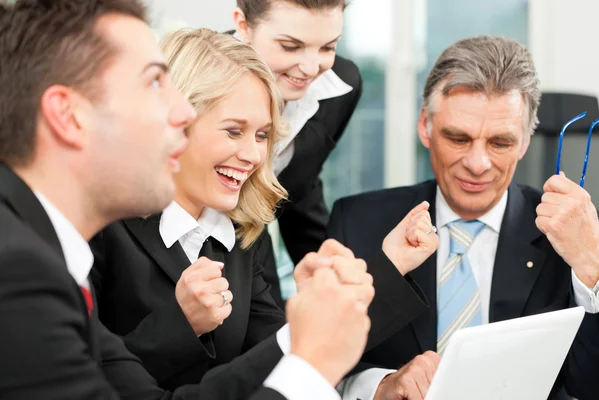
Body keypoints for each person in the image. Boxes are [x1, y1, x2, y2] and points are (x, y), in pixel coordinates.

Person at [0, 1, 375, 399]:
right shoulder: (17, 268)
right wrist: (310, 369)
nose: (180, 111)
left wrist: (304, 340)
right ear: (70, 116)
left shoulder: (51, 256)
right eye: (153, 84)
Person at [90, 28, 437, 395]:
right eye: (234, 131)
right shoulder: (100, 226)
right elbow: (83, 378)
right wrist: (181, 324)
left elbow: (281, 357)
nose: (254, 156)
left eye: (261, 136)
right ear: (177, 123)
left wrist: (387, 267)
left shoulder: (242, 234)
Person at [327, 35, 599, 400]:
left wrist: (591, 268)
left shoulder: (570, 238)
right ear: (425, 125)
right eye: (458, 138)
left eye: (500, 142)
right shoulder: (356, 221)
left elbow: (590, 384)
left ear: (524, 141)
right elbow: (316, 362)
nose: (477, 164)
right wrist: (379, 385)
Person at [232, 0, 362, 305]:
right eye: (290, 46)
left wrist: (326, 265)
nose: (310, 68)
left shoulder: (341, 86)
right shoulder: (193, 76)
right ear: (243, 25)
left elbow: (299, 183)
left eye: (328, 48)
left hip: (257, 246)